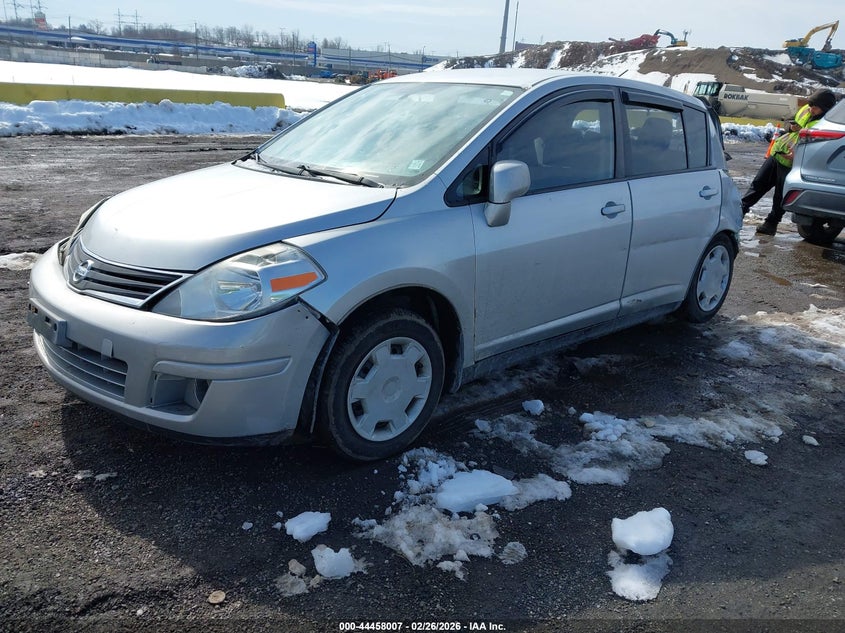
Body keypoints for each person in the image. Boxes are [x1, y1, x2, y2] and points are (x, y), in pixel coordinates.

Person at [745, 88, 837, 235]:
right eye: (811, 105)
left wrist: (799, 156)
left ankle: (771, 223)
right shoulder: (806, 110)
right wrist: (791, 126)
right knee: (758, 184)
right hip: (777, 154)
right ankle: (740, 211)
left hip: (792, 162)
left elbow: (819, 147)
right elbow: (788, 121)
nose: (811, 109)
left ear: (825, 108)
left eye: (815, 107)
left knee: (780, 195)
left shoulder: (827, 124)